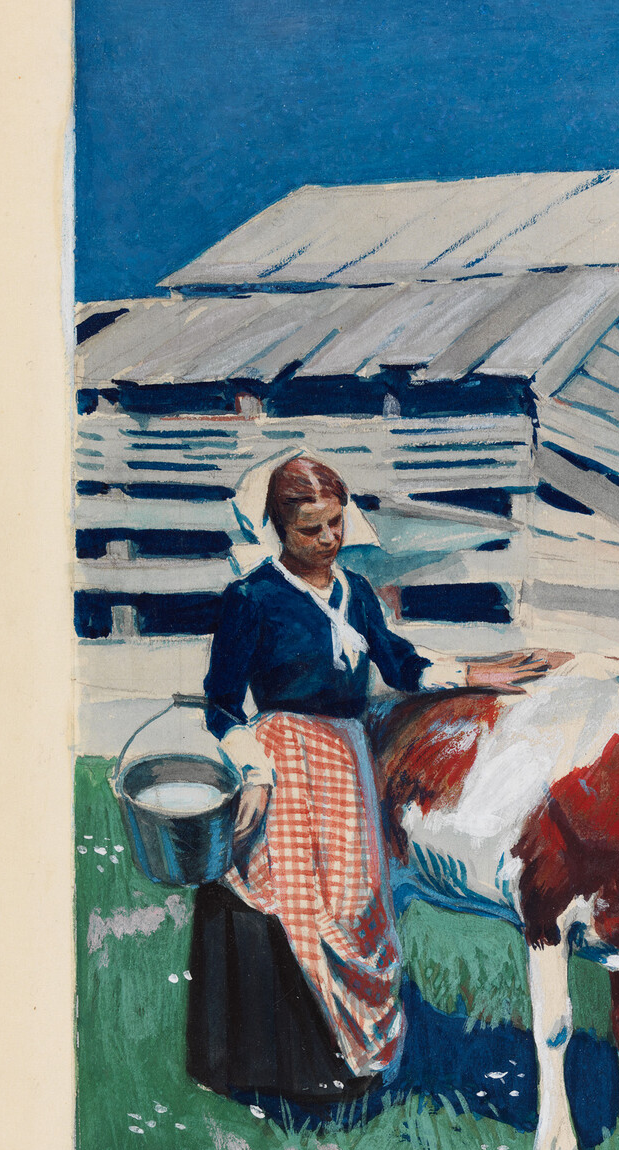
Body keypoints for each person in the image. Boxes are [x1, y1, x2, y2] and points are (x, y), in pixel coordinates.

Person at [184, 455, 553, 1112]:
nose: (327, 540)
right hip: (281, 761)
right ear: (279, 530)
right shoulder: (251, 599)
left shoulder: (353, 591)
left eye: (333, 524)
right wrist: (255, 772)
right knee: (295, 911)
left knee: (358, 907)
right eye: (309, 531)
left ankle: (361, 1061)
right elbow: (220, 705)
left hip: (346, 758)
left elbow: (398, 662)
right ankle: (304, 1077)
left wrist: (477, 673)